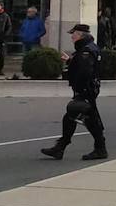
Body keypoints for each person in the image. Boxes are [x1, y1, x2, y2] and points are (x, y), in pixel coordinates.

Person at [40, 24, 108, 160]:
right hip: (88, 89)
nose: (72, 37)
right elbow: (85, 66)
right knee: (82, 118)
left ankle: (97, 149)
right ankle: (62, 147)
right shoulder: (88, 48)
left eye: (74, 34)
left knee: (79, 115)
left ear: (81, 35)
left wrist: (81, 90)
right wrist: (71, 60)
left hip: (85, 90)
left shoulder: (86, 51)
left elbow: (85, 71)